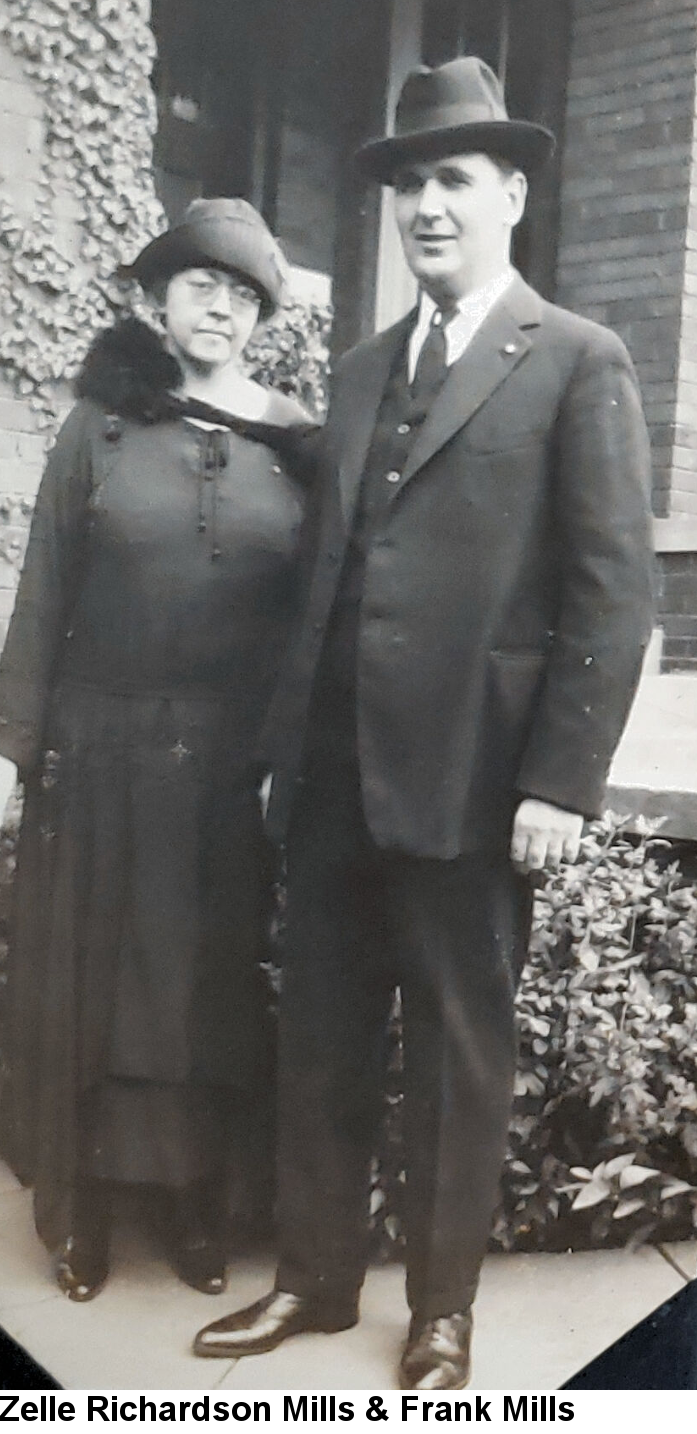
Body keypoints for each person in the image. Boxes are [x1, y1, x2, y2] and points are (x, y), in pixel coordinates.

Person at [193, 58, 655, 1389]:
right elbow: (323, 583)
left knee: (456, 1058)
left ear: (508, 191)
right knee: (324, 1033)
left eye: (452, 178)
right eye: (408, 183)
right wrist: (286, 755)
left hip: (472, 779)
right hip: (334, 778)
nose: (426, 206)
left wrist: (560, 782)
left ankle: (441, 1310)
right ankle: (314, 1283)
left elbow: (611, 596)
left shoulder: (576, 359)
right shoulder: (354, 373)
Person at [0, 198, 315, 1303]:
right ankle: (87, 1218)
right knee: (98, 987)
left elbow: (318, 615)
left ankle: (199, 1208)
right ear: (159, 301)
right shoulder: (98, 429)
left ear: (260, 318)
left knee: (206, 985)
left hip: (226, 773)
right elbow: (44, 590)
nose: (221, 305)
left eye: (243, 292)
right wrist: (6, 748)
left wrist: (295, 757)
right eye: (200, 284)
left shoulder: (295, 443)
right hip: (100, 756)